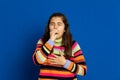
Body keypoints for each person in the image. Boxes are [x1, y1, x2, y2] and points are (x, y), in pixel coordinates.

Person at [32, 12, 87, 80]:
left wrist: (65, 63)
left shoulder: (73, 45)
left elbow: (83, 71)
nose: (55, 27)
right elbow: (37, 61)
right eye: (52, 24)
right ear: (49, 27)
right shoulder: (42, 42)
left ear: (64, 29)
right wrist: (51, 41)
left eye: (59, 24)